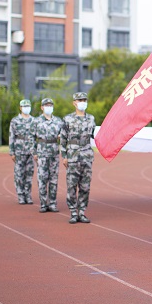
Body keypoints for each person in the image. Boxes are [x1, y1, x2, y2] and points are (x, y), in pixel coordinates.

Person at [60, 92, 96, 224]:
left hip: (86, 156)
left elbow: (95, 135)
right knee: (71, 186)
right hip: (73, 157)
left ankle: (82, 212)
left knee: (85, 187)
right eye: (80, 100)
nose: (83, 102)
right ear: (74, 103)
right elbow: (63, 139)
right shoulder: (67, 119)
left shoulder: (91, 118)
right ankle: (73, 213)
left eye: (84, 100)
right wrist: (64, 156)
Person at [33, 98, 63, 213]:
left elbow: (63, 136)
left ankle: (53, 203)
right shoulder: (36, 121)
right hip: (42, 152)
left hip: (54, 152)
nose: (49, 107)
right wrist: (34, 152)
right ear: (42, 107)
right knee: (42, 179)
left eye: (50, 105)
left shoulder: (58, 121)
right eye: (46, 105)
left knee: (53, 179)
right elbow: (31, 138)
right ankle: (43, 204)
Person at [9, 99, 36, 205]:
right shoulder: (15, 121)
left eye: (28, 106)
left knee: (29, 174)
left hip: (31, 150)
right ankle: (20, 195)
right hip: (19, 150)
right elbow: (11, 136)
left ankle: (28, 195)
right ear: (20, 108)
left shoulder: (34, 120)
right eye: (24, 106)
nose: (26, 108)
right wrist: (12, 152)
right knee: (19, 174)